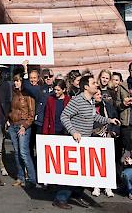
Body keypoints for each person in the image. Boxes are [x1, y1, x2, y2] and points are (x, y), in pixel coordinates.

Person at [53, 75, 121, 209]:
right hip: (76, 141)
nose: (96, 85)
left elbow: (93, 116)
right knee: (73, 174)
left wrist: (109, 120)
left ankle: (76, 195)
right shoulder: (77, 100)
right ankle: (60, 198)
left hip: (86, 142)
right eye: (93, 83)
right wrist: (74, 132)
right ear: (86, 87)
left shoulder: (90, 101)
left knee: (83, 174)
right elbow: (64, 116)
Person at [8, 74, 37, 188]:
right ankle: (20, 177)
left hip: (23, 126)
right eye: (15, 81)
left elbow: (31, 114)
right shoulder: (14, 93)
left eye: (19, 81)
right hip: (13, 125)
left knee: (24, 153)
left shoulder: (28, 94)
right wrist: (8, 119)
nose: (16, 83)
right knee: (17, 153)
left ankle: (32, 179)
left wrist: (24, 126)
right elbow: (11, 109)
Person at [91, 88, 119, 197]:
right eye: (96, 94)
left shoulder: (108, 106)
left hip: (107, 137)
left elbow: (115, 120)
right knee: (96, 162)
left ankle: (108, 187)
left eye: (99, 94)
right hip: (93, 137)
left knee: (108, 163)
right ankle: (96, 186)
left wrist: (113, 132)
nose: (99, 96)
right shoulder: (89, 107)